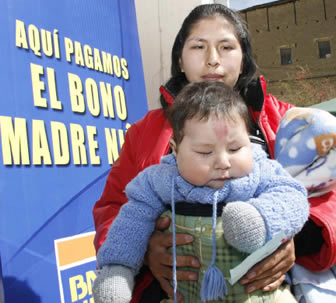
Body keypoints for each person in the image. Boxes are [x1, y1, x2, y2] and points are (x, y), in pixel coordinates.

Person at [92, 3, 336, 303]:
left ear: (244, 59)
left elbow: (326, 193)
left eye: (226, 47)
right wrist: (142, 253)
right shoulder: (145, 131)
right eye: (198, 46)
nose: (212, 60)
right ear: (180, 59)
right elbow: (114, 206)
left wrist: (295, 238)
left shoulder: (287, 121)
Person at [93, 81, 309, 303]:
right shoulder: (161, 181)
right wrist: (118, 268)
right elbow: (132, 219)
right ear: (176, 151)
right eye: (205, 152)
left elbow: (292, 195)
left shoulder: (261, 171)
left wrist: (262, 220)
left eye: (235, 149)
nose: (223, 162)